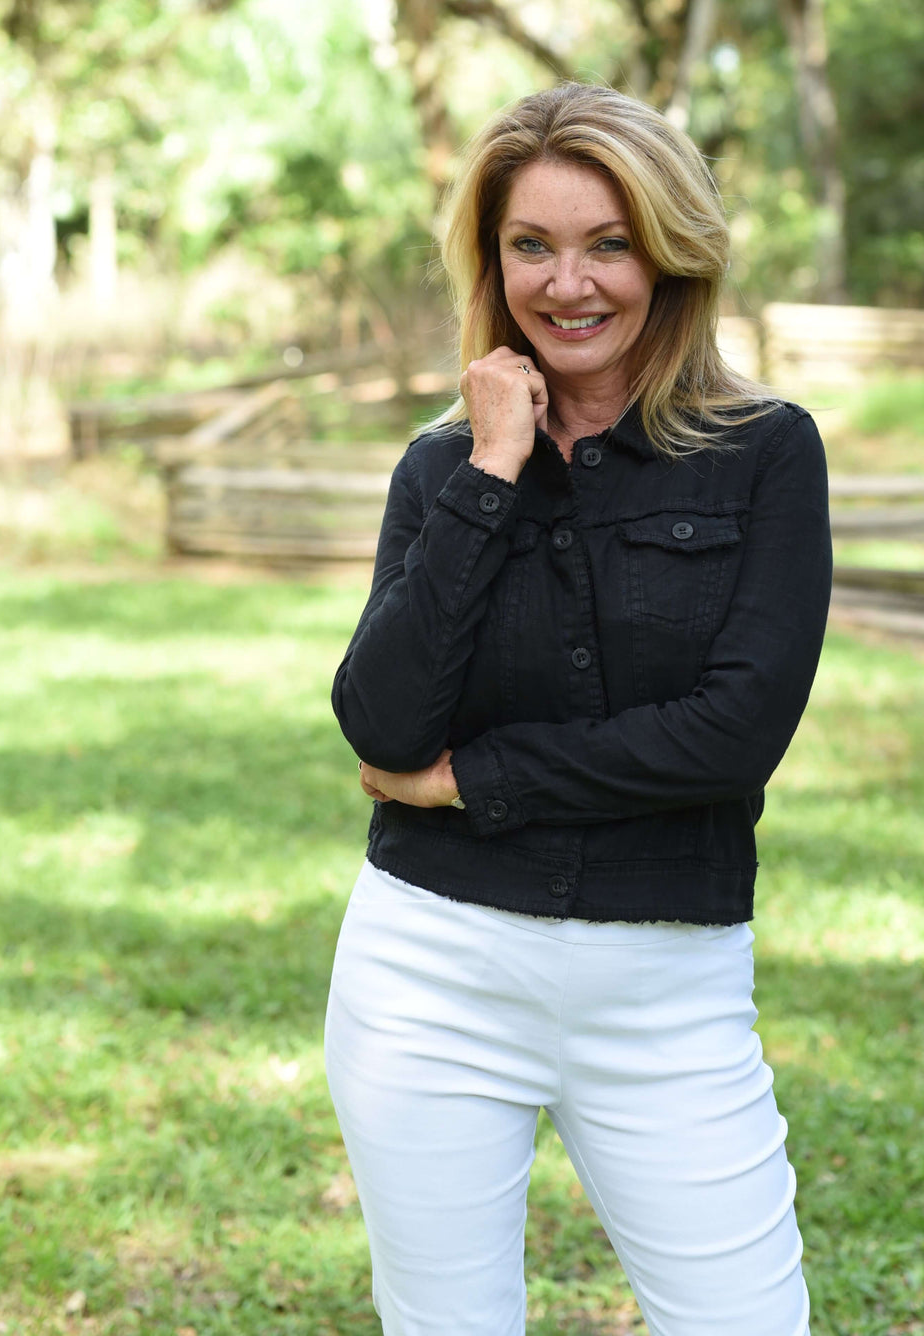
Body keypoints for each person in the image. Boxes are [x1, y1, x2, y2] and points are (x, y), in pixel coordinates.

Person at [325, 81, 832, 1336]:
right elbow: (382, 725)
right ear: (491, 264)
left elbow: (734, 732)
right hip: (426, 973)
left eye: (608, 241)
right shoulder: (443, 465)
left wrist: (472, 783)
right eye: (531, 246)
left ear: (668, 254)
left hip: (666, 985)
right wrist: (493, 467)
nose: (570, 283)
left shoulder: (767, 451)